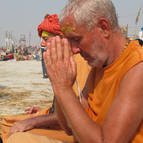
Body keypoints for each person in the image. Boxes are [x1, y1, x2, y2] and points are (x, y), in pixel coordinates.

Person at [6, 0, 143, 142]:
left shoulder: (137, 67)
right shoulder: (99, 66)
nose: (74, 49)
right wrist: (58, 84)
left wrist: (63, 88)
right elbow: (68, 127)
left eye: (77, 39)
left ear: (104, 28)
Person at [1, 14, 90, 143]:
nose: (42, 43)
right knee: (7, 122)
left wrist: (34, 121)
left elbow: (76, 112)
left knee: (14, 132)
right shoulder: (62, 61)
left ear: (62, 39)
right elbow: (64, 102)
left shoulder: (79, 62)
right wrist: (44, 111)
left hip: (73, 131)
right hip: (59, 119)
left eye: (46, 38)